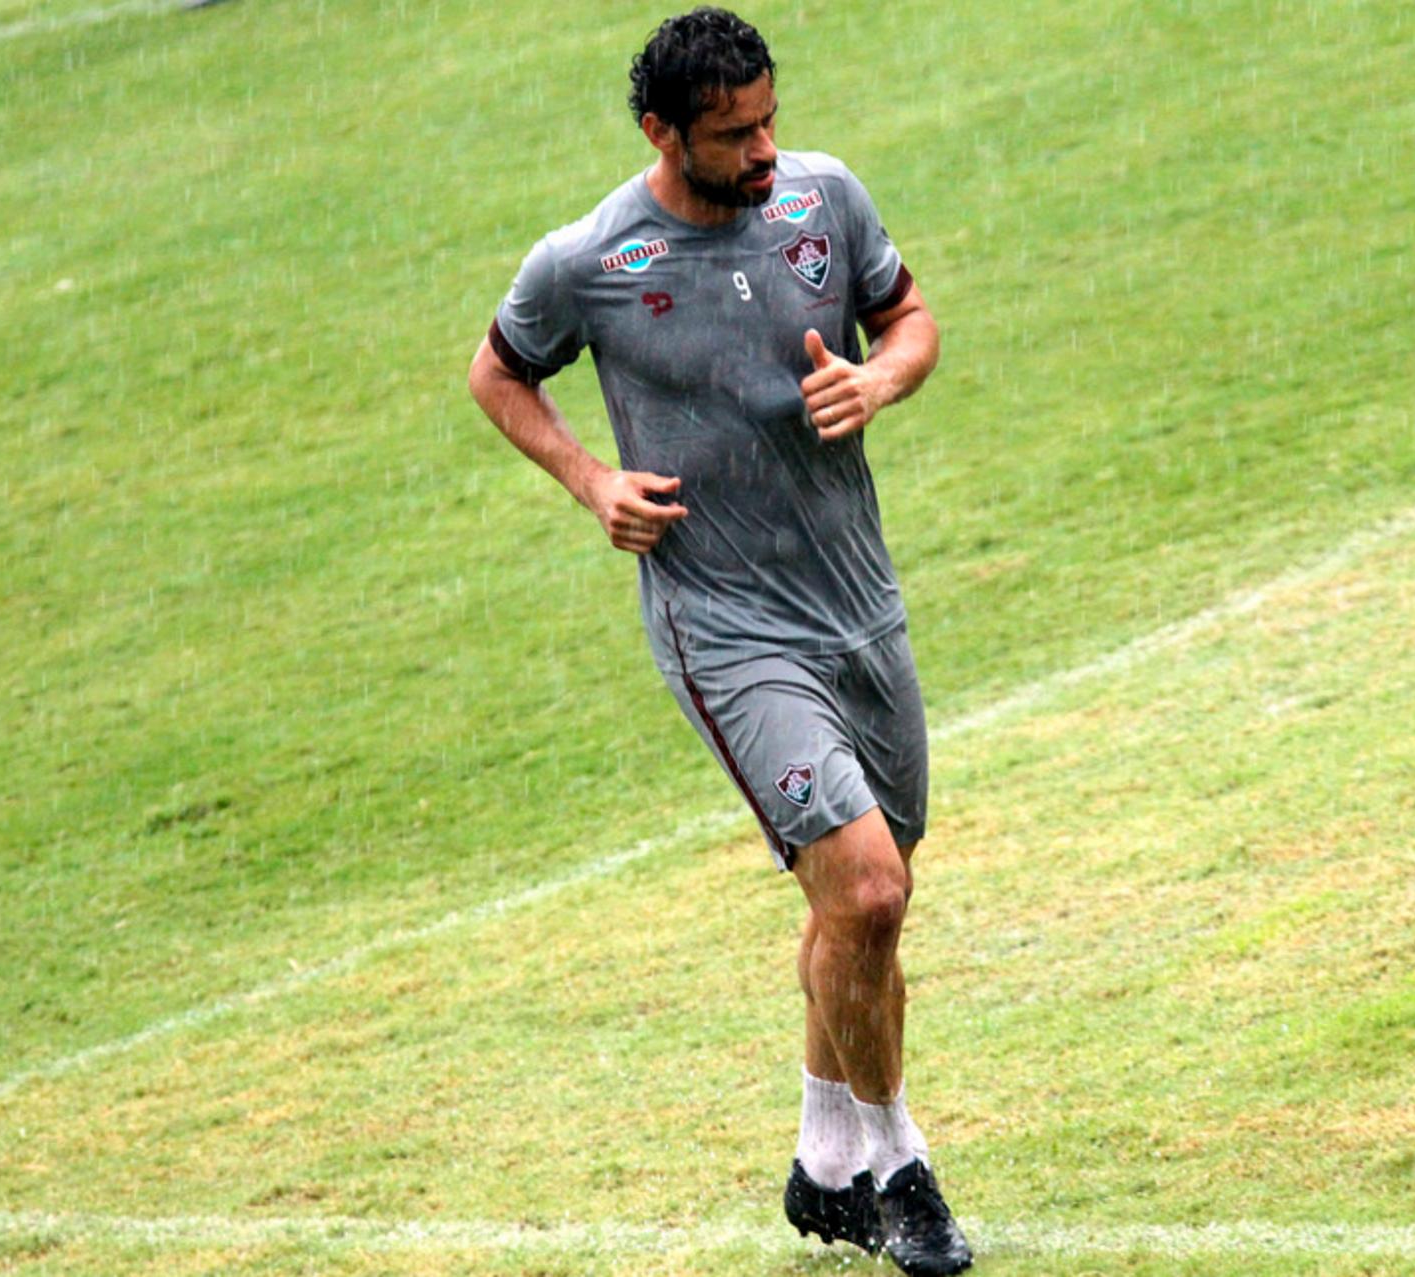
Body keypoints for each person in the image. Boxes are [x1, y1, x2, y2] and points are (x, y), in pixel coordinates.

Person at [466, 8, 970, 1274]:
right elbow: (497, 375)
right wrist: (593, 482)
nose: (762, 152)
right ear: (661, 131)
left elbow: (911, 320)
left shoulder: (824, 201)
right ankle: (902, 1168)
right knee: (867, 884)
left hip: (859, 602)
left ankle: (820, 1159)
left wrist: (879, 380)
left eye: (768, 121)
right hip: (725, 627)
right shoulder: (588, 260)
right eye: (732, 134)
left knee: (863, 914)